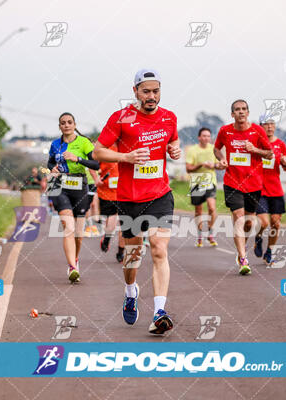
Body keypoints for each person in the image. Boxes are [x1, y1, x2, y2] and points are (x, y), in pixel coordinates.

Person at [93, 68, 181, 334]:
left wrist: (175, 150)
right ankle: (131, 291)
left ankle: (159, 312)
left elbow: (172, 144)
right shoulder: (121, 118)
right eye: (146, 91)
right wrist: (126, 158)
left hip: (159, 194)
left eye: (156, 91)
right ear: (135, 92)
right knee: (133, 256)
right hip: (129, 198)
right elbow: (98, 151)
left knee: (158, 248)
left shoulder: (169, 118)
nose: (151, 96)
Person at [214, 100, 273, 275]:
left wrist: (254, 149)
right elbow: (216, 149)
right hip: (232, 181)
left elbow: (269, 153)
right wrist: (221, 159)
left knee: (248, 222)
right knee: (238, 217)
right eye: (237, 110)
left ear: (248, 113)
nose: (241, 112)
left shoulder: (257, 131)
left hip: (254, 183)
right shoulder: (225, 131)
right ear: (232, 114)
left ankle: (243, 245)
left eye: (244, 109)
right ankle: (242, 258)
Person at [47, 112, 99, 283]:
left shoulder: (83, 143)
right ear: (60, 126)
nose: (66, 125)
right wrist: (52, 169)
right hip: (60, 186)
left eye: (69, 122)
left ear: (75, 125)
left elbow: (96, 164)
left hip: (79, 187)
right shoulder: (56, 145)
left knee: (78, 233)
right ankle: (72, 267)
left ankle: (75, 260)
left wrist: (78, 159)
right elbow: (49, 163)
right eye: (63, 123)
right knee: (67, 226)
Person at [254, 117, 286, 265]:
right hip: (259, 189)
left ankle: (269, 251)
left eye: (272, 124)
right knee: (264, 223)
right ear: (260, 126)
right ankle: (258, 237)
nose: (269, 127)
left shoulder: (280, 144)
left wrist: (284, 162)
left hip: (275, 190)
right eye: (266, 124)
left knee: (276, 223)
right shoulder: (256, 144)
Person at [185, 127, 222, 247]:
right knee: (198, 210)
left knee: (212, 208)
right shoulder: (192, 150)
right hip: (196, 183)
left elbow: (223, 165)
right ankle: (200, 235)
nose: (206, 138)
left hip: (210, 182)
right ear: (199, 137)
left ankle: (210, 233)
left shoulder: (214, 149)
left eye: (208, 136)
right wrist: (200, 164)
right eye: (204, 136)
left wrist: (214, 165)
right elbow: (188, 168)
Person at [96, 143, 126, 262]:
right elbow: (93, 165)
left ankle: (109, 239)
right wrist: (96, 178)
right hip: (111, 191)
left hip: (121, 190)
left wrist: (96, 177)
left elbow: (92, 166)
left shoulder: (104, 149)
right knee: (124, 221)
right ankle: (120, 251)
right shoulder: (125, 147)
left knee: (114, 218)